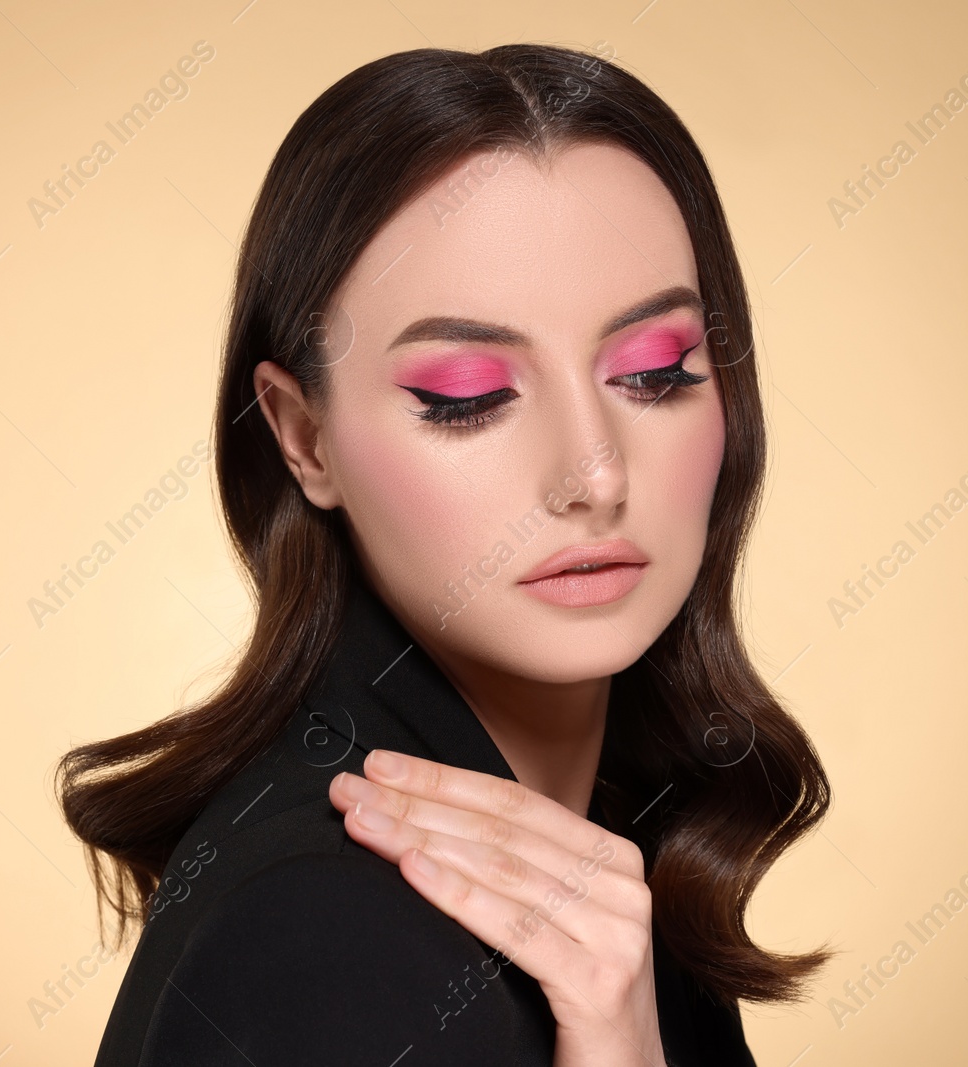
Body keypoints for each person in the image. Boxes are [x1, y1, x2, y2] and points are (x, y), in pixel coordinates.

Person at [58, 42, 832, 1067]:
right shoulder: (329, 936)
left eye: (653, 371)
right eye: (466, 394)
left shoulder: (612, 864)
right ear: (303, 436)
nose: (594, 476)